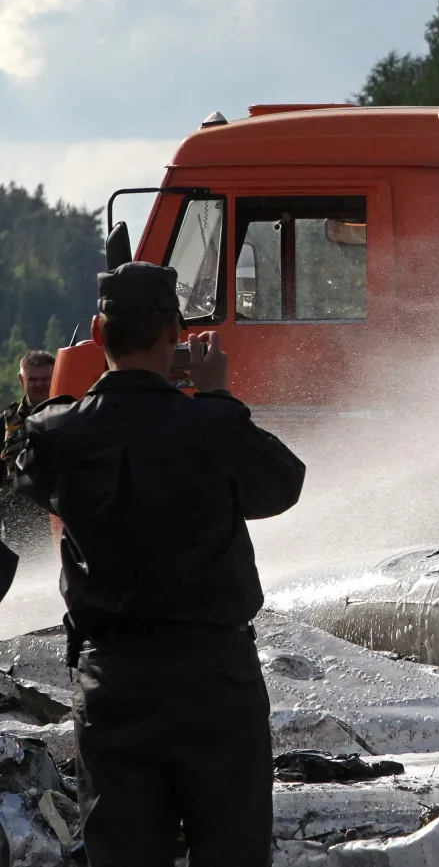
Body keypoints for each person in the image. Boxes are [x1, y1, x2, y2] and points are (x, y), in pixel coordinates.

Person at [13, 262, 305, 866]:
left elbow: (33, 470)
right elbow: (281, 486)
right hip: (215, 677)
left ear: (97, 332)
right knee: (231, 850)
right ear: (176, 330)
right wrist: (217, 395)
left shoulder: (59, 434)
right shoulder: (212, 424)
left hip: (113, 679)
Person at [1, 349, 54, 480]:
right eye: (32, 379)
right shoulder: (8, 418)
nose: (39, 384)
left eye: (45, 379)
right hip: (13, 496)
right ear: (21, 379)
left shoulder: (70, 414)